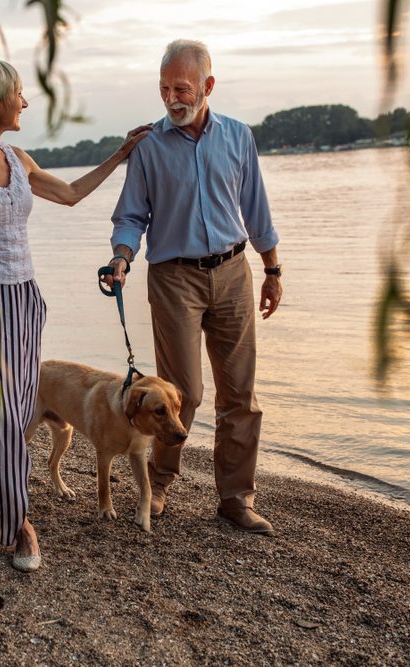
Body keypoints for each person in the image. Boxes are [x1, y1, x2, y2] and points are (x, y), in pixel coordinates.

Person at [0, 59, 150, 571]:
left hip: (24, 301)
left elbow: (70, 195)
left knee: (16, 413)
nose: (25, 102)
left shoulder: (19, 159)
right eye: (19, 94)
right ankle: (19, 523)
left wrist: (120, 154)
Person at [106, 40, 282, 535]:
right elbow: (131, 216)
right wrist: (121, 258)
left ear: (208, 85)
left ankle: (235, 499)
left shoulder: (239, 137)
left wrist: (272, 269)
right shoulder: (148, 146)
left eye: (181, 89)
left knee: (240, 396)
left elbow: (256, 209)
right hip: (173, 278)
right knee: (182, 392)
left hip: (233, 272)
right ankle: (159, 483)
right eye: (164, 89)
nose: (171, 99)